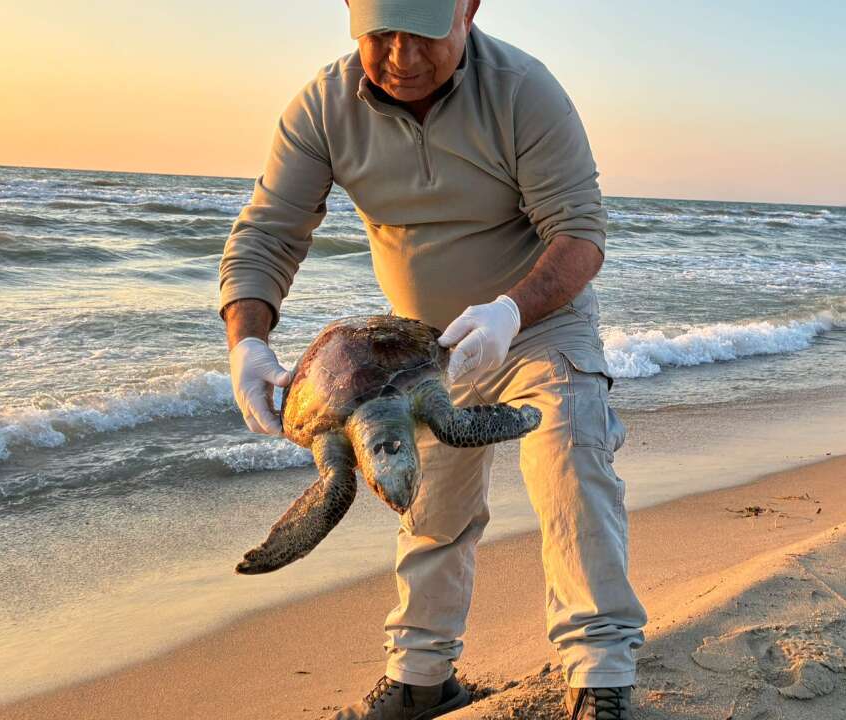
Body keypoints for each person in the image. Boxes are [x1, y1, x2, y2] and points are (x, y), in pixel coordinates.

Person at [218, 1, 646, 717]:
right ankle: (421, 680)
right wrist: (248, 344)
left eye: (424, 35)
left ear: (469, 9)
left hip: (540, 322)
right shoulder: (323, 107)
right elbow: (268, 235)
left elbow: (580, 234)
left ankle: (599, 675)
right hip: (418, 353)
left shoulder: (523, 91)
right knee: (425, 499)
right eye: (381, 35)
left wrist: (510, 311)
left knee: (568, 454)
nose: (402, 58)